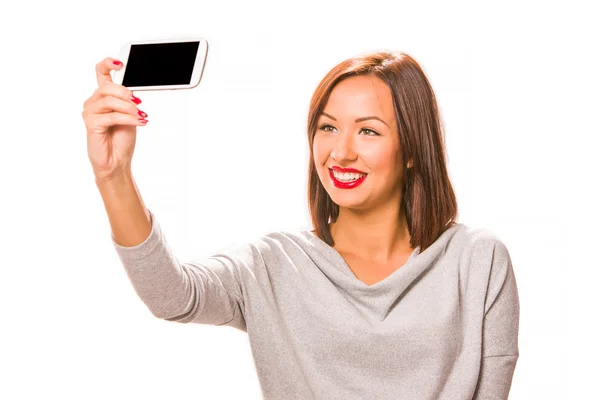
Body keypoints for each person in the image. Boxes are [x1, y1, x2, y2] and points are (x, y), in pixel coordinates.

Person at [82, 51, 520, 399]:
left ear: (411, 149)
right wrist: (113, 176)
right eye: (327, 127)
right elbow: (172, 296)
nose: (341, 152)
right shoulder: (274, 264)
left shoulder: (477, 260)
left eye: (368, 131)